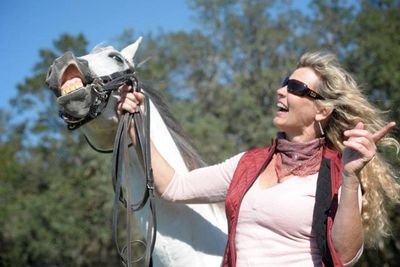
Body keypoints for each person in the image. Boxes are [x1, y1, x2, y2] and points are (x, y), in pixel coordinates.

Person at [116, 51, 399, 267]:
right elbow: (174, 187)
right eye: (286, 83)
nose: (282, 90)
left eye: (297, 89)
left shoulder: (339, 173)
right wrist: (135, 126)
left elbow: (345, 256)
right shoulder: (247, 165)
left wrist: (351, 177)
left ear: (322, 111)